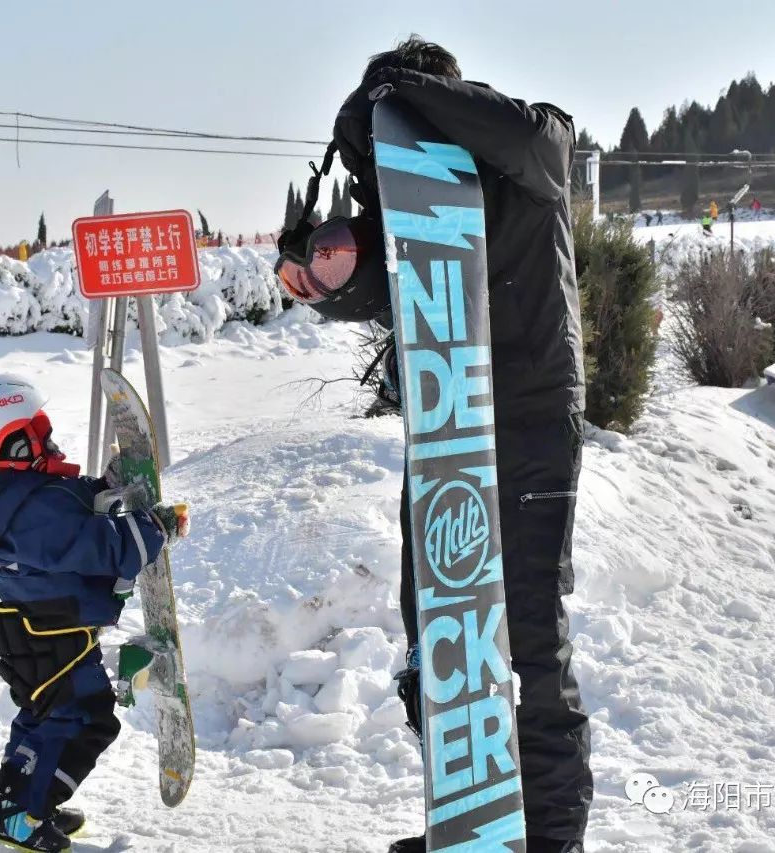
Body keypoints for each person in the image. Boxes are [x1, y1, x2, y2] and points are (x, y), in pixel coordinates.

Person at [277, 35, 591, 853]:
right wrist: (324, 285)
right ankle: (474, 814)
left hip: (523, 416)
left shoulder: (525, 149)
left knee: (524, 636)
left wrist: (400, 95)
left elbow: (543, 141)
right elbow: (388, 288)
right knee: (442, 629)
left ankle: (551, 839)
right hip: (448, 423)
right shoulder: (413, 197)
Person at [0, 374, 188, 853]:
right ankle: (24, 812)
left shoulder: (12, 497)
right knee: (82, 721)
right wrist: (152, 528)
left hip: (42, 630)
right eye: (39, 437)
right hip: (52, 634)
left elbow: (66, 510)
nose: (51, 443)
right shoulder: (32, 508)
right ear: (12, 447)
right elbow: (99, 546)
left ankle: (19, 806)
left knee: (46, 719)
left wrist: (104, 488)